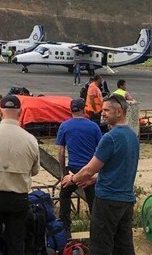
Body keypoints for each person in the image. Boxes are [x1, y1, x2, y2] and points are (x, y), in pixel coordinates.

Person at [61, 94, 139, 255]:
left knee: (100, 246)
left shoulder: (110, 138)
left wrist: (72, 178)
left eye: (106, 110)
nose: (102, 113)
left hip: (108, 200)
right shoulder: (132, 136)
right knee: (123, 246)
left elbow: (90, 169)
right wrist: (95, 179)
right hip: (126, 201)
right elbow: (120, 168)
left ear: (119, 112)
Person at [0, 94, 40, 255]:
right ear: (20, 112)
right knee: (16, 243)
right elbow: (34, 171)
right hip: (18, 198)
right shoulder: (30, 139)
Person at [56, 97, 102, 236]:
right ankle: (96, 231)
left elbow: (61, 151)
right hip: (90, 170)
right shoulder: (93, 126)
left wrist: (62, 173)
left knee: (64, 195)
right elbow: (100, 149)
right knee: (94, 202)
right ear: (84, 109)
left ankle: (66, 228)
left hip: (73, 170)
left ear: (70, 110)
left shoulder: (64, 126)